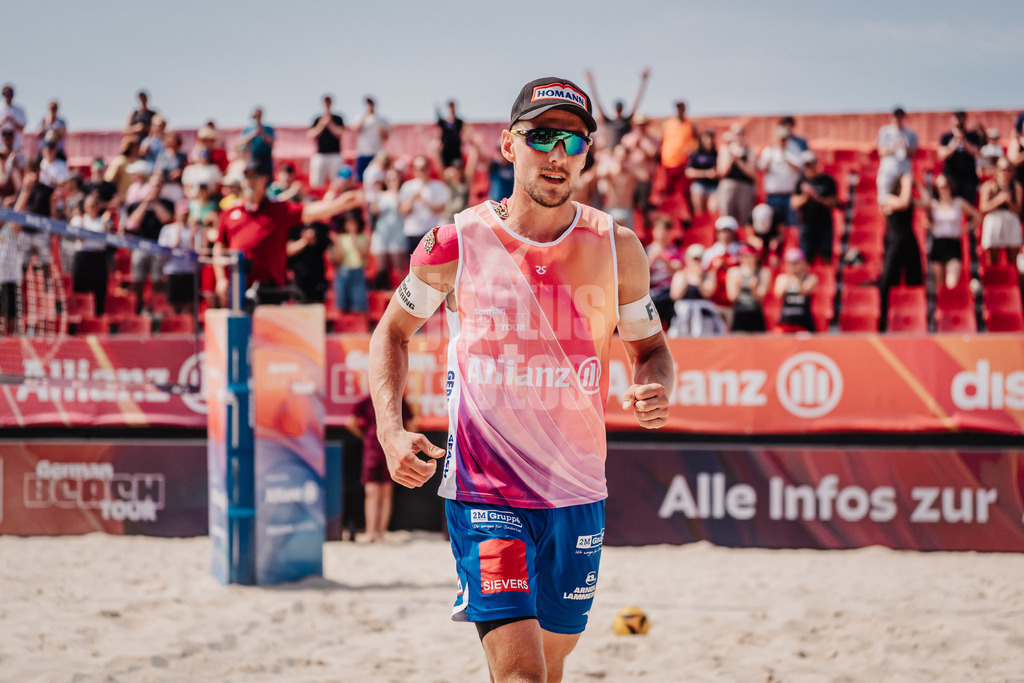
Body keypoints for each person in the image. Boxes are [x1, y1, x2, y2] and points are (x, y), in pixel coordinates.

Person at [368, 76, 673, 683]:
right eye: (541, 136)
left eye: (574, 140)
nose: (558, 154)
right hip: (487, 491)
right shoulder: (455, 242)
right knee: (521, 675)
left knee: (552, 663)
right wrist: (390, 430)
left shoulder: (619, 248)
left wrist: (655, 384)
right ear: (509, 145)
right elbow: (391, 333)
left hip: (578, 491)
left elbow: (652, 347)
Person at [212, 157, 364, 306]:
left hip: (271, 290)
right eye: (246, 177)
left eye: (254, 177)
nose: (250, 182)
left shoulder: (278, 210)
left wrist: (340, 203)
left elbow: (310, 211)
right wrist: (221, 279)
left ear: (264, 179)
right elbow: (219, 247)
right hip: (239, 288)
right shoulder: (229, 214)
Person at [346, 393, 416, 543]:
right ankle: (372, 531)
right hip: (372, 449)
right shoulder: (366, 400)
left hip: (390, 449)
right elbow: (351, 422)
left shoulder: (398, 399)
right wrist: (365, 436)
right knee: (372, 492)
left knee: (386, 491)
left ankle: (381, 532)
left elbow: (411, 424)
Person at [879, 173, 927, 331]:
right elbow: (903, 203)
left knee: (915, 280)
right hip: (895, 242)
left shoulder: (909, 197)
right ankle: (883, 319)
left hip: (910, 241)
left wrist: (917, 185)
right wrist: (907, 183)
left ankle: (915, 316)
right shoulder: (889, 198)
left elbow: (927, 202)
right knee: (889, 281)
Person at [926, 173, 981, 290]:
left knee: (952, 284)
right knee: (939, 288)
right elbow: (926, 221)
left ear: (950, 186)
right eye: (939, 187)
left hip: (953, 244)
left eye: (945, 186)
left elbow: (977, 217)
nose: (942, 190)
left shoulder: (958, 202)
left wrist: (965, 228)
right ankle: (941, 309)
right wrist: (934, 228)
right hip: (938, 244)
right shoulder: (933, 204)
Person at [667, 243, 726, 337]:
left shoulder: (708, 275)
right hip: (684, 318)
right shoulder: (680, 275)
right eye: (694, 259)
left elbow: (708, 293)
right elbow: (675, 295)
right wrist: (686, 279)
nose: (696, 262)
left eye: (699, 259)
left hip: (704, 320)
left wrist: (699, 279)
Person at [790, 151, 839, 265]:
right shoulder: (800, 182)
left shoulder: (828, 181)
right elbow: (794, 203)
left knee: (826, 256)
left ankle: (828, 279)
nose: (809, 168)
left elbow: (835, 202)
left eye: (811, 164)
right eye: (806, 165)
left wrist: (817, 197)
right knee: (806, 257)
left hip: (824, 225)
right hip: (807, 225)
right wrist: (806, 197)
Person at [584, 67, 650, 150]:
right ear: (615, 109)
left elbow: (637, 102)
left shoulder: (626, 121)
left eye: (620, 108)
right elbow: (597, 102)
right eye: (617, 109)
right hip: (609, 153)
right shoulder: (609, 122)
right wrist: (591, 82)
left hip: (622, 154)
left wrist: (644, 81)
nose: (619, 110)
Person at [69, 194, 113, 316]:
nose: (92, 207)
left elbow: (106, 237)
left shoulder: (104, 220)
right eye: (90, 205)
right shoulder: (78, 220)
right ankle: (78, 318)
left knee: (99, 290)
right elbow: (80, 238)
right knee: (80, 289)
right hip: (83, 257)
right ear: (85, 207)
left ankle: (98, 316)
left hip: (98, 257)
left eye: (95, 204)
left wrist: (104, 223)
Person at [655, 100, 698, 220]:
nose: (679, 110)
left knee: (682, 194)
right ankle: (665, 217)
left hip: (682, 165)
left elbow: (696, 142)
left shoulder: (690, 124)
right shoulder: (668, 123)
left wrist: (690, 151)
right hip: (667, 164)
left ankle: (683, 219)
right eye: (678, 108)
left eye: (681, 108)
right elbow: (661, 141)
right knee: (665, 194)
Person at [978, 157, 1023, 267]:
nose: (1005, 172)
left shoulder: (1016, 187)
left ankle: (1014, 282)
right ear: (997, 170)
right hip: (994, 222)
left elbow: (1018, 210)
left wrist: (1009, 203)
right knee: (992, 262)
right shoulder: (988, 186)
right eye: (1002, 169)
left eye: (1008, 169)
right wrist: (998, 200)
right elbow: (983, 208)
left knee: (1013, 262)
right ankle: (992, 281)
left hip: (1011, 222)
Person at [398, 155, 447, 254]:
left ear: (429, 168)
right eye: (418, 168)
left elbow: (442, 208)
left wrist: (425, 201)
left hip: (431, 232)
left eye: (424, 168)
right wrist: (412, 200)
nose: (421, 171)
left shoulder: (438, 186)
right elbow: (403, 210)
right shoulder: (407, 186)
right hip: (412, 232)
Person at [158, 202, 200, 314]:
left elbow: (197, 252)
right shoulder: (167, 230)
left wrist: (192, 238)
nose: (184, 217)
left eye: (186, 214)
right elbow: (163, 253)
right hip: (173, 271)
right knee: (174, 303)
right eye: (182, 214)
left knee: (189, 303)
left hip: (189, 271)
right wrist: (177, 238)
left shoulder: (194, 230)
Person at [370, 167, 408, 289]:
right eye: (389, 179)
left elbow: (403, 210)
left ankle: (403, 291)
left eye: (395, 178)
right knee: (382, 266)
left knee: (398, 265)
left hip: (397, 232)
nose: (392, 181)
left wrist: (395, 192)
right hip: (382, 233)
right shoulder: (381, 195)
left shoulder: (404, 193)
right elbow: (375, 210)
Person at [328, 209, 370, 313]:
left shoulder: (364, 237)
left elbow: (364, 256)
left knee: (358, 303)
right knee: (342, 301)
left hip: (358, 271)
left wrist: (355, 242)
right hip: (344, 270)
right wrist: (336, 245)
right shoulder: (340, 238)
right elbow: (338, 260)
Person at [716, 125, 756, 227]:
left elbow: (751, 173)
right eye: (736, 134)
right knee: (726, 217)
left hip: (745, 187)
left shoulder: (749, 151)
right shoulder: (725, 150)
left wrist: (738, 161)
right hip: (728, 186)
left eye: (740, 133)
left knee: (745, 218)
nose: (738, 136)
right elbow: (722, 172)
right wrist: (731, 158)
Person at [875, 107, 918, 204]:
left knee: (905, 200)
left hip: (904, 171)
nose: (898, 119)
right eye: (896, 116)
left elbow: (913, 153)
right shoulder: (885, 131)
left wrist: (904, 147)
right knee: (884, 200)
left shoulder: (911, 133)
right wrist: (894, 147)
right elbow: (881, 152)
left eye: (900, 116)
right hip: (888, 171)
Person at [938, 111, 982, 204]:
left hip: (969, 179)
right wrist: (955, 142)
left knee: (969, 207)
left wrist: (964, 140)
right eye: (957, 117)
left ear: (965, 119)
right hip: (951, 179)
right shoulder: (946, 137)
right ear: (952, 119)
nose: (959, 120)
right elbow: (942, 155)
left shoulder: (973, 136)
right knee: (951, 206)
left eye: (961, 117)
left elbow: (976, 152)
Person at [726, 244, 770, 332]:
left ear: (755, 257)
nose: (746, 259)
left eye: (749, 256)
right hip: (739, 314)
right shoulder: (733, 272)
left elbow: (761, 298)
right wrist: (738, 287)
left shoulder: (763, 272)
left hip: (756, 314)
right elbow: (731, 298)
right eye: (744, 256)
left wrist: (754, 289)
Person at [773, 248, 818, 333]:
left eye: (796, 263)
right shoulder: (782, 278)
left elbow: (804, 292)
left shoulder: (811, 278)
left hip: (804, 322)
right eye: (790, 263)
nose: (793, 266)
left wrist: (796, 279)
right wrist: (789, 279)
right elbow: (778, 294)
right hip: (786, 321)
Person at [308, 95, 346, 189]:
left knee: (336, 181)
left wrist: (330, 124)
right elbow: (310, 134)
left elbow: (340, 133)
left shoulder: (338, 118)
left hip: (335, 155)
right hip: (320, 155)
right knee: (317, 182)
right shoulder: (317, 119)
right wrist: (321, 125)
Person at [685, 128, 719, 216]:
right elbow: (689, 172)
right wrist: (706, 173)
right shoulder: (696, 154)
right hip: (700, 185)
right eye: (706, 138)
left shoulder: (717, 154)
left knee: (713, 210)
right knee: (699, 211)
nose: (709, 141)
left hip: (714, 187)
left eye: (711, 138)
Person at [354, 97, 389, 182]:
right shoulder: (360, 117)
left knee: (377, 178)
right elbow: (355, 128)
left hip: (377, 154)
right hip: (363, 152)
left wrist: (382, 132)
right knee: (361, 179)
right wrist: (365, 116)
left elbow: (386, 137)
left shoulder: (381, 119)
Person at [436, 100, 464, 169]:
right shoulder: (444, 122)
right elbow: (439, 120)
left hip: (456, 151)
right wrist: (437, 109)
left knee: (458, 169)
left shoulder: (459, 122)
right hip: (446, 151)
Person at [0, 84, 27, 153]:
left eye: (10, 94)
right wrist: (4, 120)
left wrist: (13, 122)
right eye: (6, 94)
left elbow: (23, 127)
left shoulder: (20, 110)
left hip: (15, 147)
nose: (8, 96)